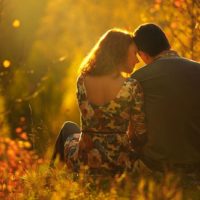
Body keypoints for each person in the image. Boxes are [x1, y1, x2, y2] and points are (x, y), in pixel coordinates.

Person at [50, 29, 146, 175]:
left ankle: (52, 180)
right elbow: (140, 134)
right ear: (120, 53)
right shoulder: (131, 86)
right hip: (119, 166)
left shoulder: (82, 80)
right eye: (134, 53)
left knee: (68, 128)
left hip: (85, 164)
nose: (137, 60)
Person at [131, 23, 200, 173]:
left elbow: (134, 131)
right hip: (196, 163)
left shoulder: (138, 78)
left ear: (143, 54)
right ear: (166, 43)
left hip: (157, 164)